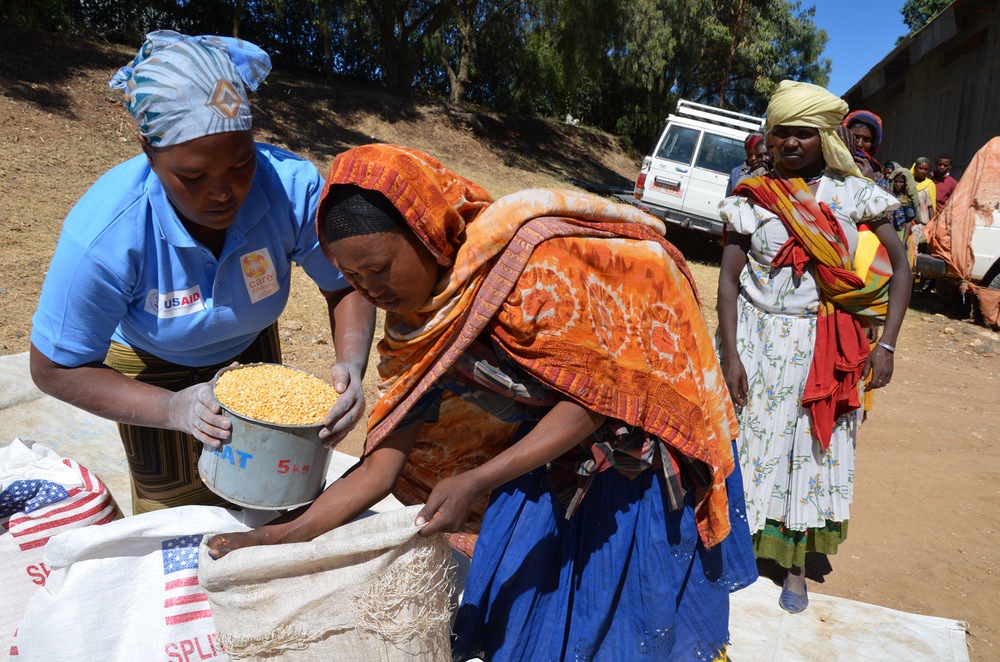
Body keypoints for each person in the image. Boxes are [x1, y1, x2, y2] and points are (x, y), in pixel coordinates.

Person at [208, 144, 759, 659]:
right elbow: (380, 469)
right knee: (524, 627)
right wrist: (277, 537)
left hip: (633, 475)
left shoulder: (533, 269)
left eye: (379, 268)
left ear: (426, 232)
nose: (371, 289)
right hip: (547, 466)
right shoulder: (417, 327)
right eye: (353, 277)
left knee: (625, 627)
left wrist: (479, 478)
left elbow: (597, 398)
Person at [29, 31, 376, 514]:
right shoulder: (106, 234)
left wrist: (352, 366)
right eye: (192, 177)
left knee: (272, 504)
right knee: (174, 515)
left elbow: (345, 283)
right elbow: (54, 368)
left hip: (249, 351)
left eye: (242, 164)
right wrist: (171, 409)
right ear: (149, 153)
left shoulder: (291, 189)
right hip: (151, 371)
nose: (224, 193)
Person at [716, 80, 911, 614]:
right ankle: (737, 549)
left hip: (822, 342)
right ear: (770, 140)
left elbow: (901, 272)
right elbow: (729, 282)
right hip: (756, 342)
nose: (793, 143)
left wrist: (887, 344)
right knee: (749, 448)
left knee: (811, 450)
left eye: (805, 134)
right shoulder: (750, 198)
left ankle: (795, 567)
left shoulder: (854, 194)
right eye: (784, 134)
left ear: (825, 137)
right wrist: (730, 355)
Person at [843, 110, 884, 180]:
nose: (859, 144)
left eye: (867, 140)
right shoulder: (829, 163)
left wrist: (869, 182)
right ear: (845, 135)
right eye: (855, 137)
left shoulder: (876, 176)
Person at [911, 156, 937, 222]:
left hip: (922, 223)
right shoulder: (908, 183)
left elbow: (931, 207)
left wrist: (932, 224)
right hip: (907, 223)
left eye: (926, 169)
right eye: (920, 168)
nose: (923, 171)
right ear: (915, 168)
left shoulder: (929, 185)